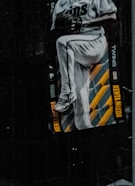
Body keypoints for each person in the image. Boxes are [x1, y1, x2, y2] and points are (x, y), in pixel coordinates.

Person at [50, 0, 117, 130]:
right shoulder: (61, 3)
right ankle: (85, 127)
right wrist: (64, 27)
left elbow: (112, 17)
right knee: (80, 97)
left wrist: (84, 24)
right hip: (74, 48)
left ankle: (67, 92)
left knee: (63, 43)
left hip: (94, 41)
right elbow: (54, 31)